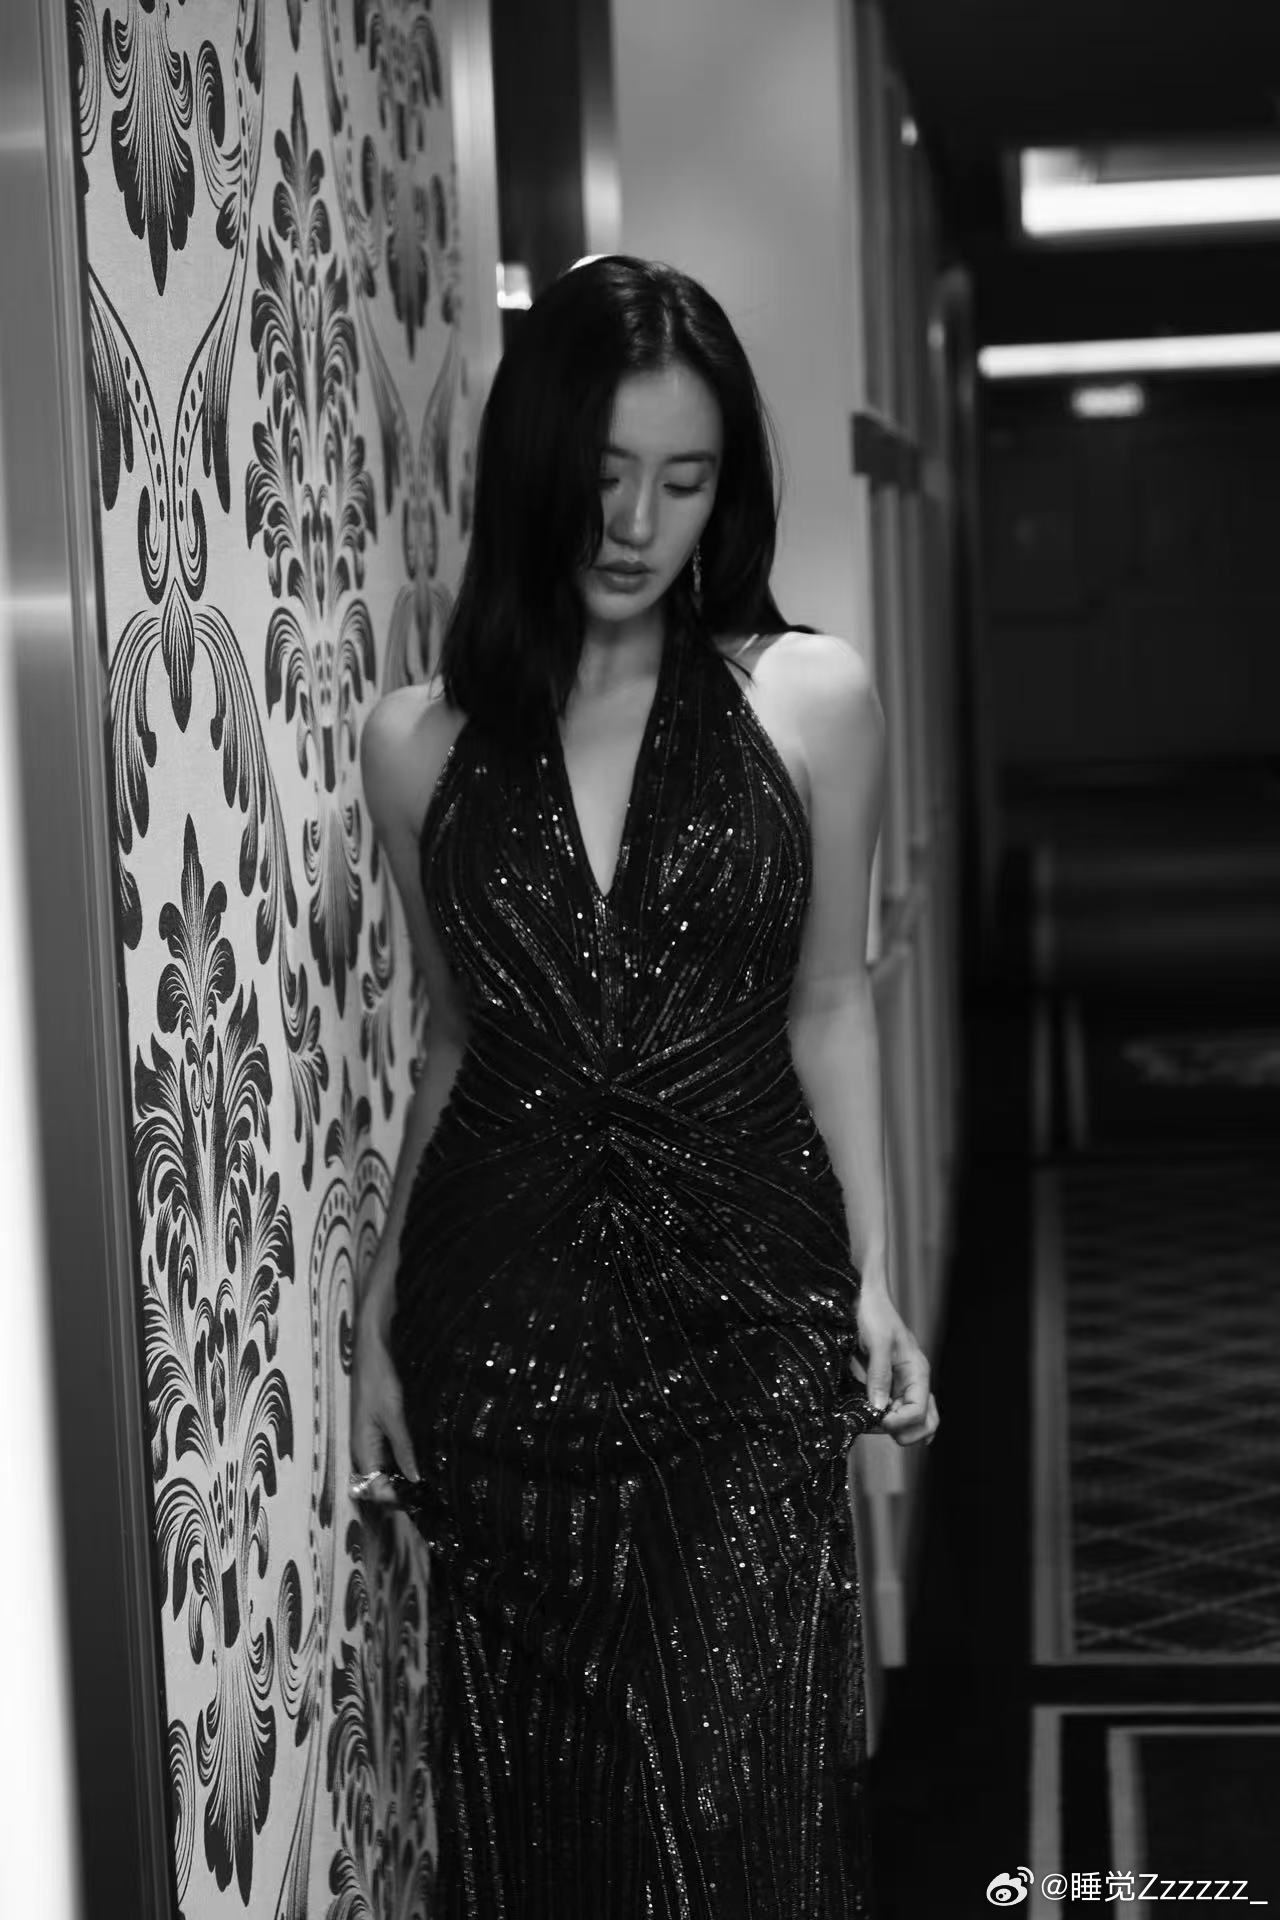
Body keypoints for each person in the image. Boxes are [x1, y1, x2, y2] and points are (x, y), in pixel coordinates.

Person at [353, 253, 939, 1918]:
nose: (635, 523)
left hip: (747, 1320)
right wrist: (378, 1311)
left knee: (739, 1804)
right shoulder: (414, 743)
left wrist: (873, 1278)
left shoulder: (810, 697)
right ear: (536, 468)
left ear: (725, 490)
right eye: (604, 473)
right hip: (500, 1338)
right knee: (548, 1823)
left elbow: (831, 1002)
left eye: (684, 481)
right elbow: (456, 1040)